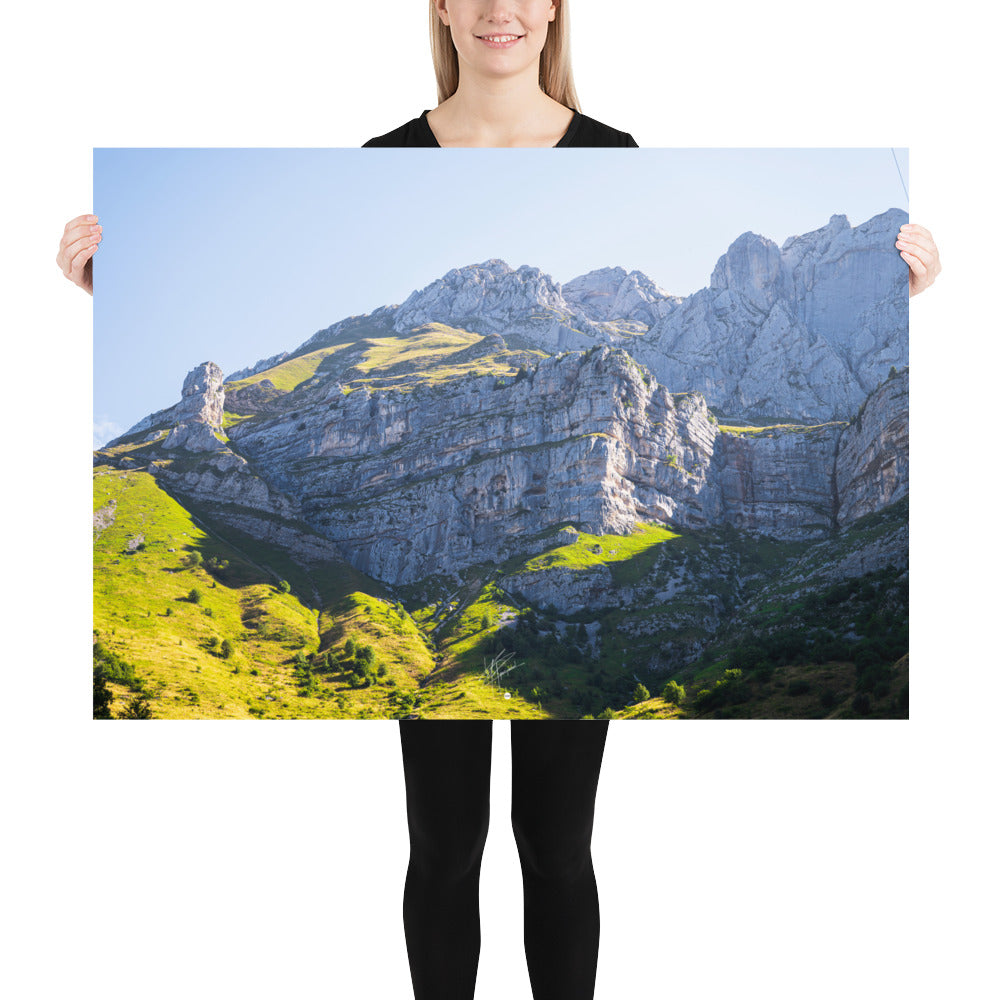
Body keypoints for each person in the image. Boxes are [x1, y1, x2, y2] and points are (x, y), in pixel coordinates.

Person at [65, 3, 940, 998]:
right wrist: (109, 284)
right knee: (444, 844)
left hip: (559, 611)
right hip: (419, 615)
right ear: (436, 6)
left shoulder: (614, 150)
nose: (497, 8)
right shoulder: (384, 153)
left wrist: (901, 299)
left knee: (556, 845)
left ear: (557, 7)